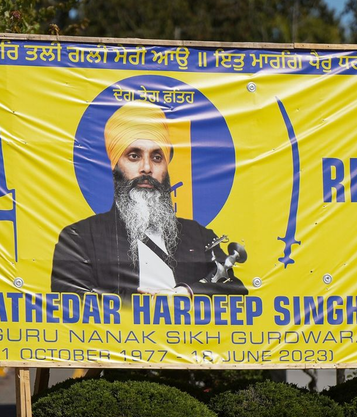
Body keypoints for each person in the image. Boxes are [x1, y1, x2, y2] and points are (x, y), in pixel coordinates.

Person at [51, 101, 246, 297]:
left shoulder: (199, 236)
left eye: (157, 157)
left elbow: (235, 290)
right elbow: (68, 296)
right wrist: (133, 303)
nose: (147, 168)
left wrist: (188, 293)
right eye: (134, 156)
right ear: (115, 166)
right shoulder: (79, 238)